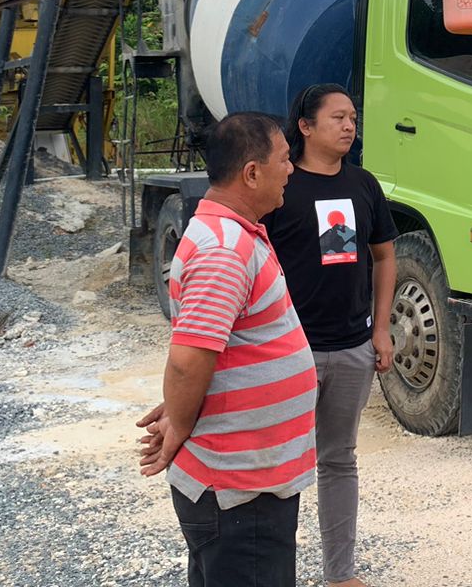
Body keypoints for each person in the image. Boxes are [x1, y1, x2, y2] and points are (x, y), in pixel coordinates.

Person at [136, 112, 319, 587]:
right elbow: (187, 359)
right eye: (284, 159)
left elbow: (213, 352)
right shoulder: (222, 249)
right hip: (238, 489)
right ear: (252, 173)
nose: (292, 169)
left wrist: (184, 408)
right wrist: (178, 419)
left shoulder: (238, 235)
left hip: (252, 481)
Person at [263, 84, 398, 587]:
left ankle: (339, 574)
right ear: (304, 126)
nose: (349, 126)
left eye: (353, 117)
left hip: (352, 348)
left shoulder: (363, 184)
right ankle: (274, 572)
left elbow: (384, 256)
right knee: (279, 464)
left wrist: (380, 329)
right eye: (338, 117)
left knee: (338, 460)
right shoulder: (279, 186)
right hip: (288, 351)